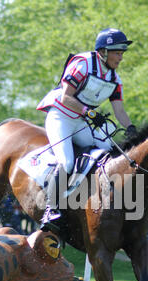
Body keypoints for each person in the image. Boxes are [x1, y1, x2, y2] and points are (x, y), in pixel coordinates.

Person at [36, 28, 137, 232]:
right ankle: (51, 208)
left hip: (81, 121)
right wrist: (89, 113)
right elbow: (65, 98)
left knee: (108, 150)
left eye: (122, 52)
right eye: (117, 52)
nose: (121, 57)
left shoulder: (115, 79)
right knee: (66, 162)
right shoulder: (82, 64)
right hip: (60, 116)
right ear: (103, 52)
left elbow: (119, 109)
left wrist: (131, 128)